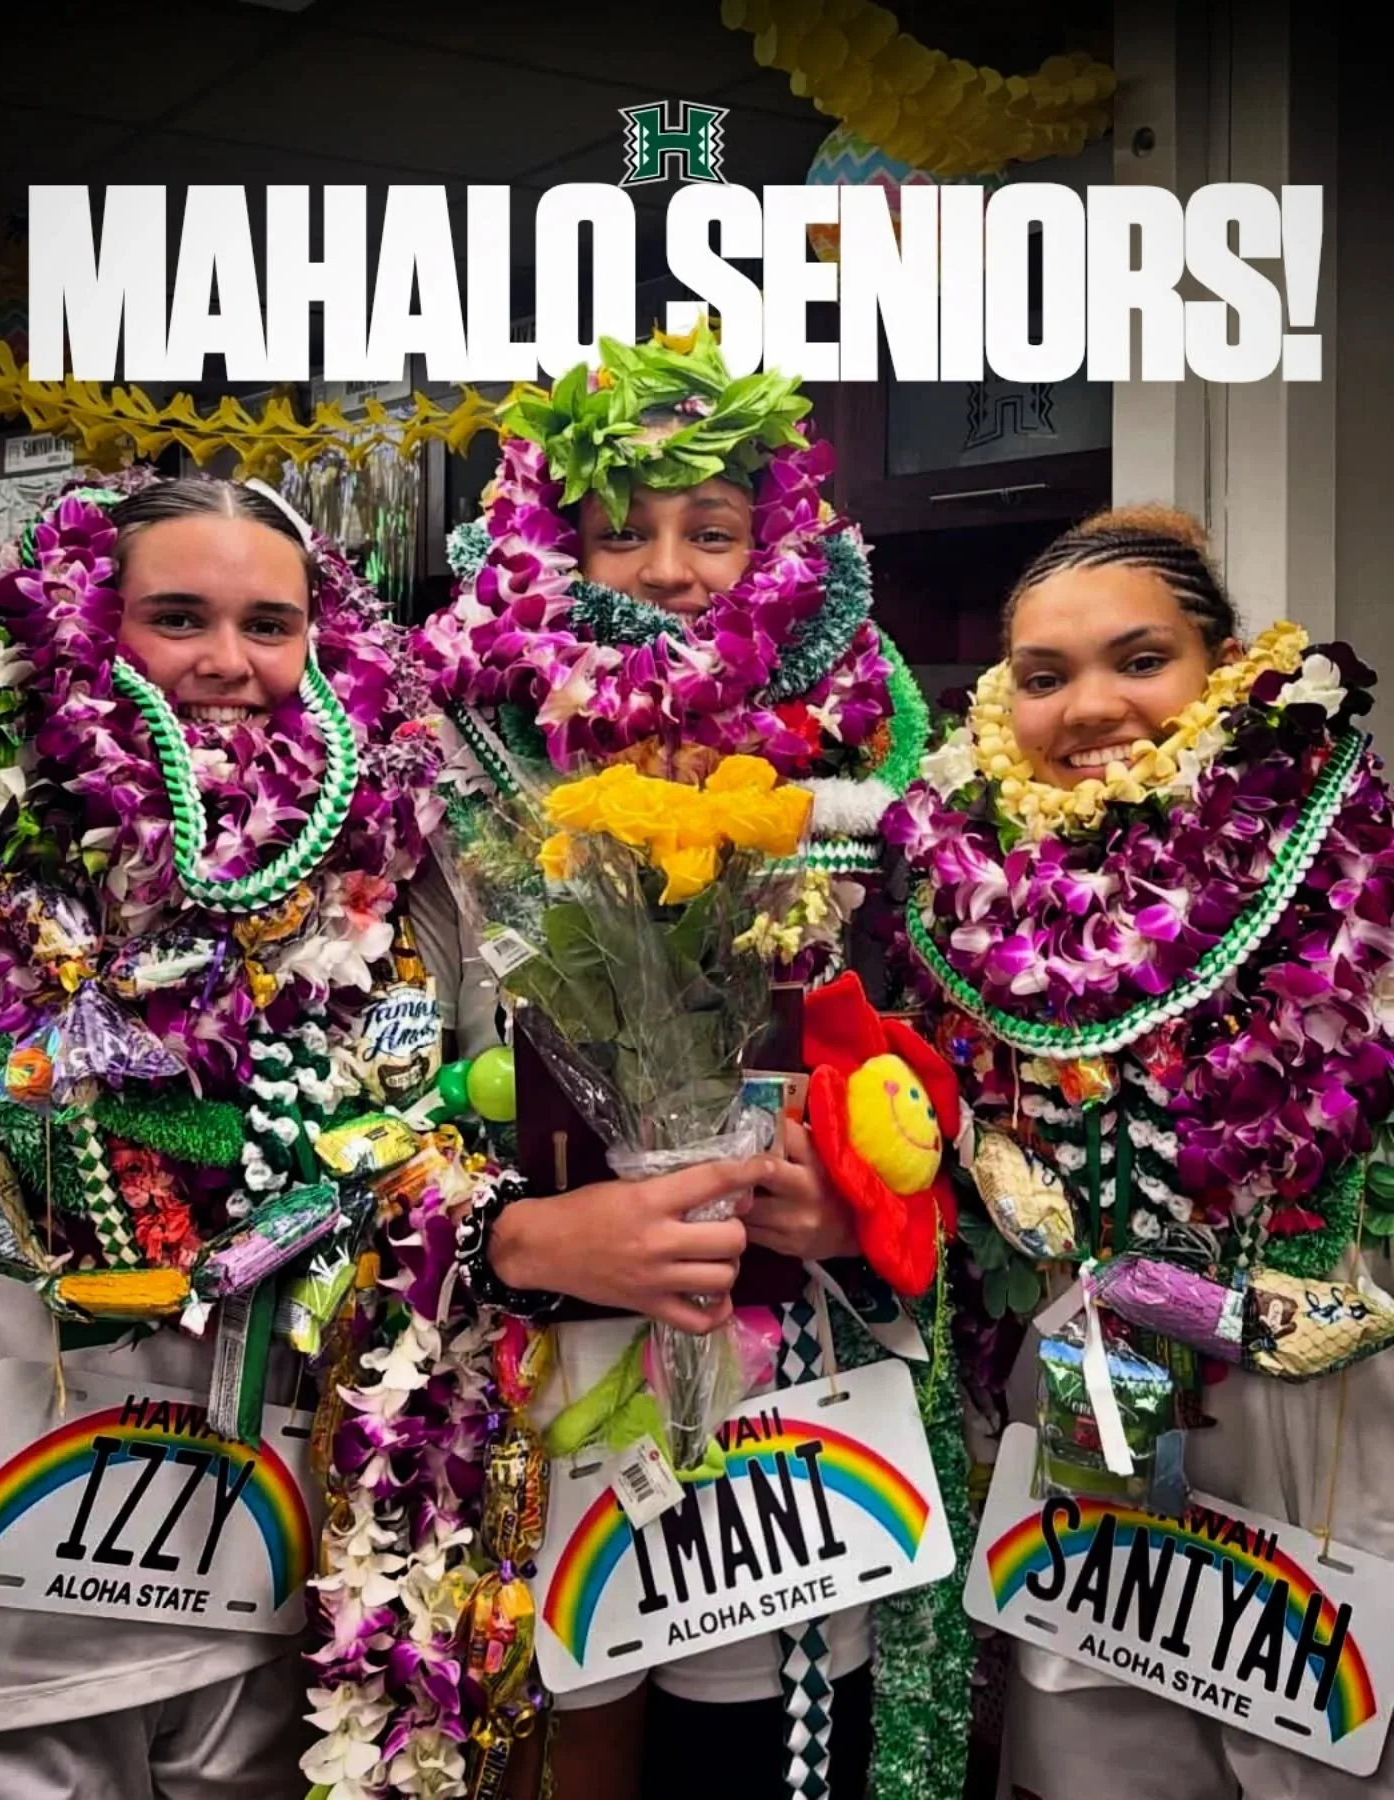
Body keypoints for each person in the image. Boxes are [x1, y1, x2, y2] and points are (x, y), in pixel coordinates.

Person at [0, 469, 770, 1800]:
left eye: (270, 627)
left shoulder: (389, 860)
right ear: (92, 626)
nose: (230, 663)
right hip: (11, 1580)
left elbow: (439, 1117)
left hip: (285, 1556)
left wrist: (517, 1224)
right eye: (178, 618)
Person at [411, 322, 971, 1800]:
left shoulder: (866, 789)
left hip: (795, 1393)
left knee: (767, 1751)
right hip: (525, 1381)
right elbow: (366, 1102)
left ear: (778, 554)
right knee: (559, 1740)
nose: (669, 570)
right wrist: (521, 1236)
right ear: (550, 553)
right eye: (622, 534)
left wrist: (854, 1212)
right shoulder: (452, 780)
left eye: (714, 531)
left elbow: (949, 1095)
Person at [883, 503, 1394, 1800]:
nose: (1092, 707)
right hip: (1086, 1391)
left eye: (1140, 660)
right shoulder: (964, 908)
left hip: (1316, 1400)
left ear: (1224, 669)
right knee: (1088, 1747)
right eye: (1045, 678)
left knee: (1318, 1750)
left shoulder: (1352, 877)